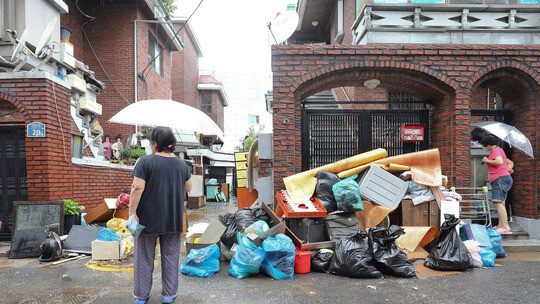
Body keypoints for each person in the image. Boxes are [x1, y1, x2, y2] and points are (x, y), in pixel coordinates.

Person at [129, 127, 192, 304]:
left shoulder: (145, 162)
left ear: (155, 143)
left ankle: (141, 296)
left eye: (150, 141)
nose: (149, 144)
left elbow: (137, 188)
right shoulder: (181, 164)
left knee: (144, 258)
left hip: (146, 219)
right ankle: (169, 295)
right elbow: (188, 188)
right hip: (173, 218)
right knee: (171, 257)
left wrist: (132, 212)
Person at [480, 134, 514, 234]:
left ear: (489, 144)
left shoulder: (496, 151)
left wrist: (486, 160)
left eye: (485, 145)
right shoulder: (499, 150)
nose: (485, 147)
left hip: (499, 179)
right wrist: (509, 167)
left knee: (498, 203)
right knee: (501, 202)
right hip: (504, 178)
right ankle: (501, 225)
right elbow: (510, 162)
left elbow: (499, 162)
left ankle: (505, 227)